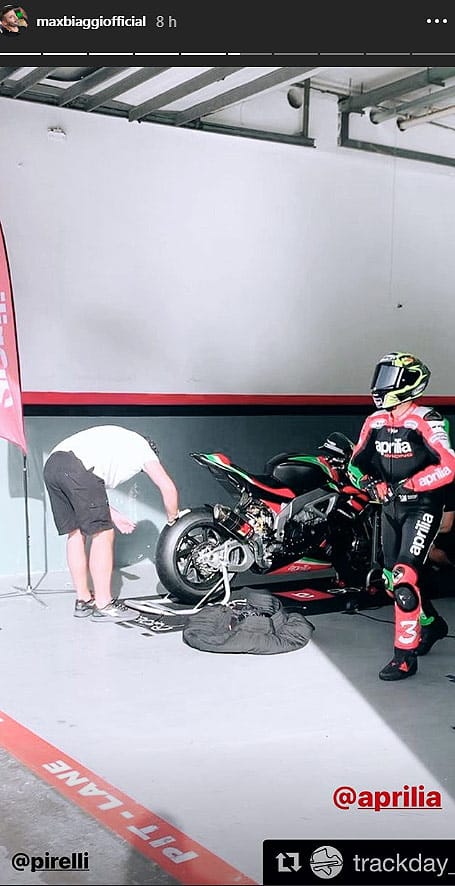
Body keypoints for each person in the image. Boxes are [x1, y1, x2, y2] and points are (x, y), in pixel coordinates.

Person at [349, 352, 455, 681]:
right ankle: (431, 624)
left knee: (405, 577)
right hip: (389, 509)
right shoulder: (374, 421)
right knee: (390, 580)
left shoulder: (428, 419)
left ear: (409, 383)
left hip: (422, 508)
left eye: (388, 379)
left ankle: (404, 658)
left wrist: (411, 485)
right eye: (380, 377)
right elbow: (355, 465)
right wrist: (369, 483)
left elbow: (448, 466)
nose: (380, 386)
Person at [43, 425, 181, 620]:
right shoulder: (144, 449)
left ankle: (83, 600)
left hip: (53, 465)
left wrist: (114, 516)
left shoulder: (119, 442)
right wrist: (173, 519)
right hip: (77, 468)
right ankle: (104, 603)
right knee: (103, 534)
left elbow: (89, 494)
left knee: (75, 533)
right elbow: (167, 486)